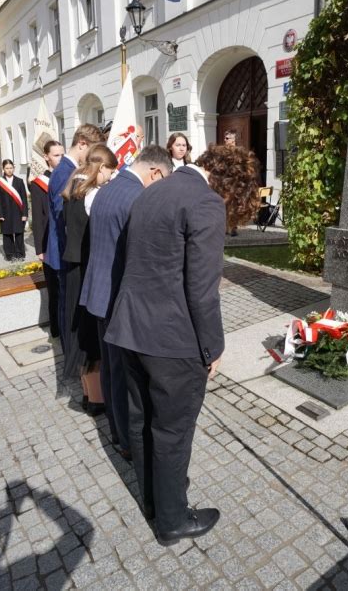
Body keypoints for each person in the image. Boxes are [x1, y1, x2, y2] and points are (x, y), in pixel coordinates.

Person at [105, 145, 260, 544]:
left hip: (130, 330)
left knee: (142, 423)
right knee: (172, 432)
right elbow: (202, 291)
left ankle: (155, 502)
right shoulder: (206, 203)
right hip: (173, 343)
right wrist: (214, 348)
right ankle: (173, 521)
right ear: (231, 189)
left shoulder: (153, 188)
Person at [80, 146, 173, 459]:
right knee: (124, 375)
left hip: (98, 294)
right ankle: (127, 442)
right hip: (118, 297)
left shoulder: (107, 189)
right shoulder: (137, 197)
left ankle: (118, 431)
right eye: (162, 184)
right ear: (155, 172)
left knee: (110, 369)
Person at [62, 144, 118, 415]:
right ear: (102, 167)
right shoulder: (93, 194)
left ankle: (87, 394)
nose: (111, 177)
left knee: (80, 334)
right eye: (110, 171)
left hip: (74, 268)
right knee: (90, 337)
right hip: (87, 270)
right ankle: (97, 399)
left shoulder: (74, 185)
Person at [45, 124, 105, 347]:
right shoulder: (65, 172)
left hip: (64, 248)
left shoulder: (65, 169)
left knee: (65, 302)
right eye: (91, 151)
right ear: (82, 144)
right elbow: (66, 216)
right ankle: (68, 351)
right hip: (64, 249)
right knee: (66, 304)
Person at [30, 140, 64, 337]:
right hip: (49, 244)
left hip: (65, 241)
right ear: (46, 157)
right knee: (54, 288)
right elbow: (39, 218)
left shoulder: (68, 176)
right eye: (56, 155)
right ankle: (56, 330)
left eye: (62, 154)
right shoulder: (39, 183)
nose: (60, 158)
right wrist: (40, 249)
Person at [0, 159, 29, 261]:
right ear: (3, 169)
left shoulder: (19, 181)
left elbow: (24, 199)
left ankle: (20, 254)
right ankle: (10, 255)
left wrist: (25, 214)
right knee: (7, 235)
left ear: (13, 168)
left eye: (11, 168)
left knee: (19, 234)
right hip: (5, 213)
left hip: (18, 213)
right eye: (7, 168)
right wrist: (0, 214)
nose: (9, 170)